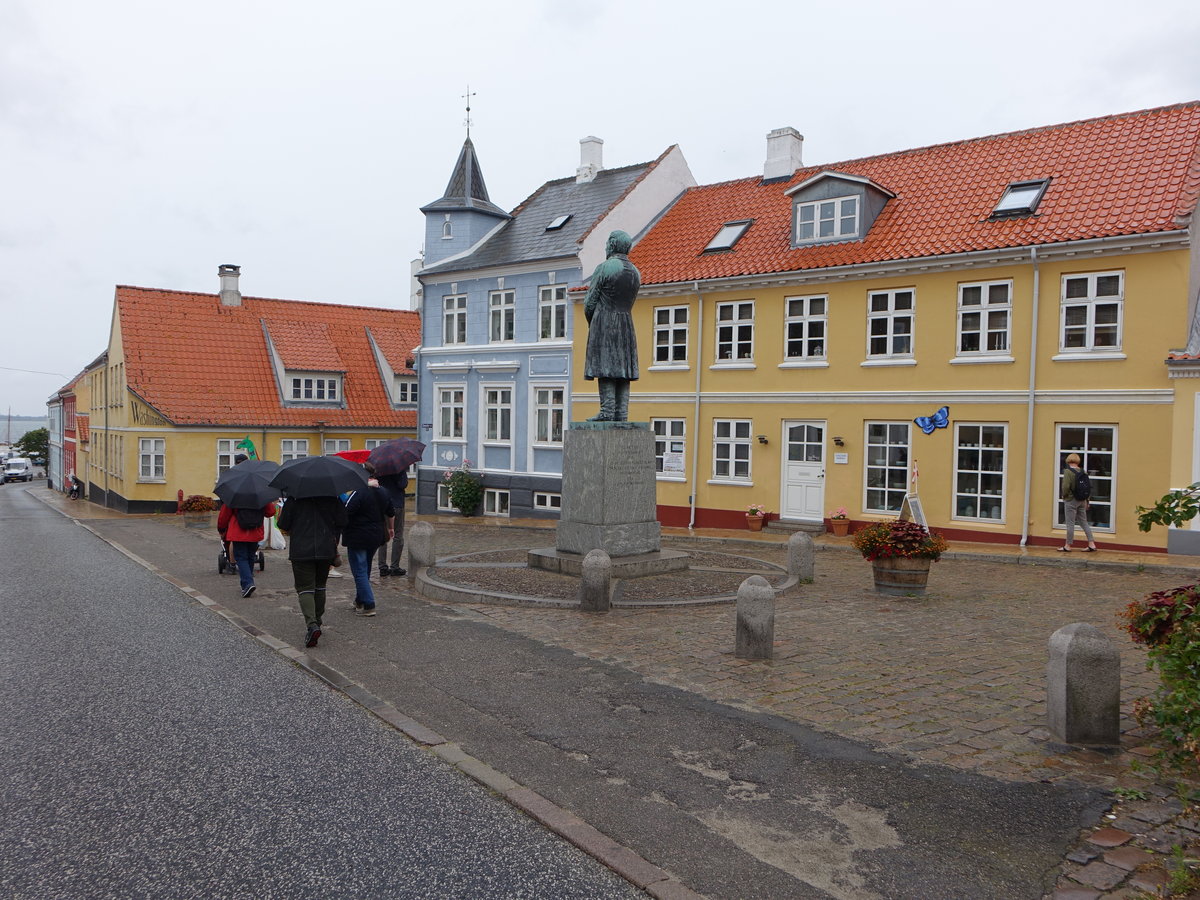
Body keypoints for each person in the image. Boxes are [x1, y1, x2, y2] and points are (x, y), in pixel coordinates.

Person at [583, 230, 641, 422]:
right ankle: (621, 414)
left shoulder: (605, 267)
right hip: (626, 323)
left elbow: (590, 302)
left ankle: (607, 412)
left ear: (614, 244)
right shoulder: (635, 272)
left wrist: (594, 323)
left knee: (606, 367)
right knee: (623, 371)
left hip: (605, 322)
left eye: (608, 242)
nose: (606, 246)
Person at [277, 493, 347, 647]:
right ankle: (318, 622)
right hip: (325, 548)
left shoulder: (294, 498)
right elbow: (342, 521)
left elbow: (283, 524)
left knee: (305, 589)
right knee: (320, 586)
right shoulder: (332, 497)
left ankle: (312, 624)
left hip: (301, 550)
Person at [341, 464, 394, 617]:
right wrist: (391, 528)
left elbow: (346, 511)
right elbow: (390, 511)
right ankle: (359, 600)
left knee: (359, 570)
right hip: (376, 535)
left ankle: (369, 604)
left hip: (358, 536)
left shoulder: (358, 492)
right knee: (365, 569)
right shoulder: (383, 491)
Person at [217, 498, 277, 597]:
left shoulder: (234, 496)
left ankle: (248, 583)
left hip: (238, 532)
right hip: (255, 531)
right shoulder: (259, 494)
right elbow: (270, 512)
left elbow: (224, 515)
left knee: (241, 557)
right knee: (250, 556)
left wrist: (221, 529)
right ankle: (246, 583)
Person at [1059, 453, 1098, 552]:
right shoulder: (1083, 471)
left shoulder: (1068, 472)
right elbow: (1088, 487)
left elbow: (1065, 486)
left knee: (1070, 523)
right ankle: (1091, 544)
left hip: (1071, 500)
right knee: (1084, 522)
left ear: (1068, 460)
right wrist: (1087, 501)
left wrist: (1064, 495)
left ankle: (1068, 545)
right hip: (1083, 500)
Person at [377, 470, 408, 577]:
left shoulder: (378, 466)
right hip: (396, 503)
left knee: (383, 536)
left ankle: (382, 567)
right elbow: (402, 484)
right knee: (398, 535)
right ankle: (394, 567)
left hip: (382, 503)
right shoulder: (399, 467)